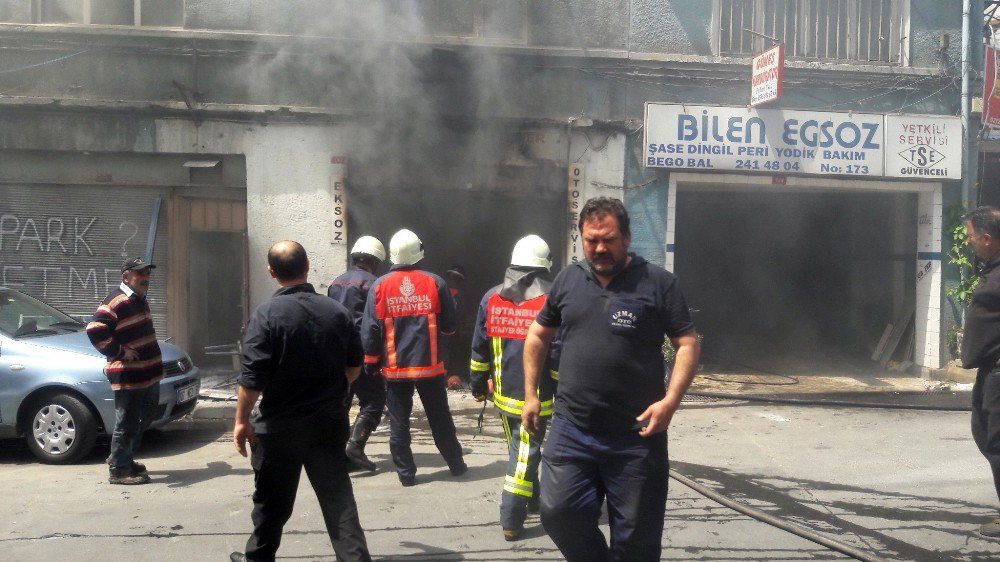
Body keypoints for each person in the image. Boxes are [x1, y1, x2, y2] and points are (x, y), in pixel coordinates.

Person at [522, 197, 700, 561]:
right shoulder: (568, 279)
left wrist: (670, 402)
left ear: (627, 237)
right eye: (591, 240)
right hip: (573, 429)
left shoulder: (658, 283)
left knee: (636, 541)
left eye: (609, 239)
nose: (600, 247)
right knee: (558, 513)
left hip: (636, 435)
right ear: (581, 239)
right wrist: (530, 394)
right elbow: (537, 335)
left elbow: (687, 343)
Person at [231, 241, 371, 562]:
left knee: (271, 505)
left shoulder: (266, 315)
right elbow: (354, 365)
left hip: (279, 429)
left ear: (271, 273)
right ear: (308, 265)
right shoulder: (337, 312)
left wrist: (241, 420)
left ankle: (258, 559)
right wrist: (339, 390)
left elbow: (252, 379)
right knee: (339, 504)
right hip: (327, 425)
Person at [469, 234, 558, 541]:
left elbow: (479, 348)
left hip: (503, 395)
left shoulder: (491, 296)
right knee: (524, 455)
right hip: (539, 396)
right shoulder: (551, 297)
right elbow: (557, 350)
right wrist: (562, 388)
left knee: (520, 450)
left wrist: (478, 384)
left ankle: (532, 499)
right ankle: (511, 517)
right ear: (544, 264)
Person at [361, 228, 467, 486]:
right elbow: (450, 326)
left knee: (399, 423)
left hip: (395, 371)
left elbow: (371, 330)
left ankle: (406, 475)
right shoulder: (435, 282)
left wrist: (372, 363)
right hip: (429, 368)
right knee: (440, 418)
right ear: (419, 255)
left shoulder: (379, 286)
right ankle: (456, 465)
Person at [87, 256, 162, 486]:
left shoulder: (139, 298)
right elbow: (95, 329)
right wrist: (119, 351)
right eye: (140, 273)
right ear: (126, 277)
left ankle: (123, 457)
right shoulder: (117, 300)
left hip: (148, 373)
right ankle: (119, 469)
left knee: (146, 415)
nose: (145, 278)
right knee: (127, 422)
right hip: (128, 374)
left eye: (147, 273)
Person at [328, 236, 387, 472]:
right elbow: (374, 323)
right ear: (375, 260)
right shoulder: (374, 284)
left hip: (337, 354)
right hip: (362, 353)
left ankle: (336, 453)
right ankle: (355, 446)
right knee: (374, 400)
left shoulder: (336, 283)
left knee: (342, 402)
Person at [961, 205, 1000, 538]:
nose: (969, 242)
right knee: (984, 432)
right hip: (989, 370)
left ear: (988, 239)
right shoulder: (993, 266)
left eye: (972, 237)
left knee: (998, 441)